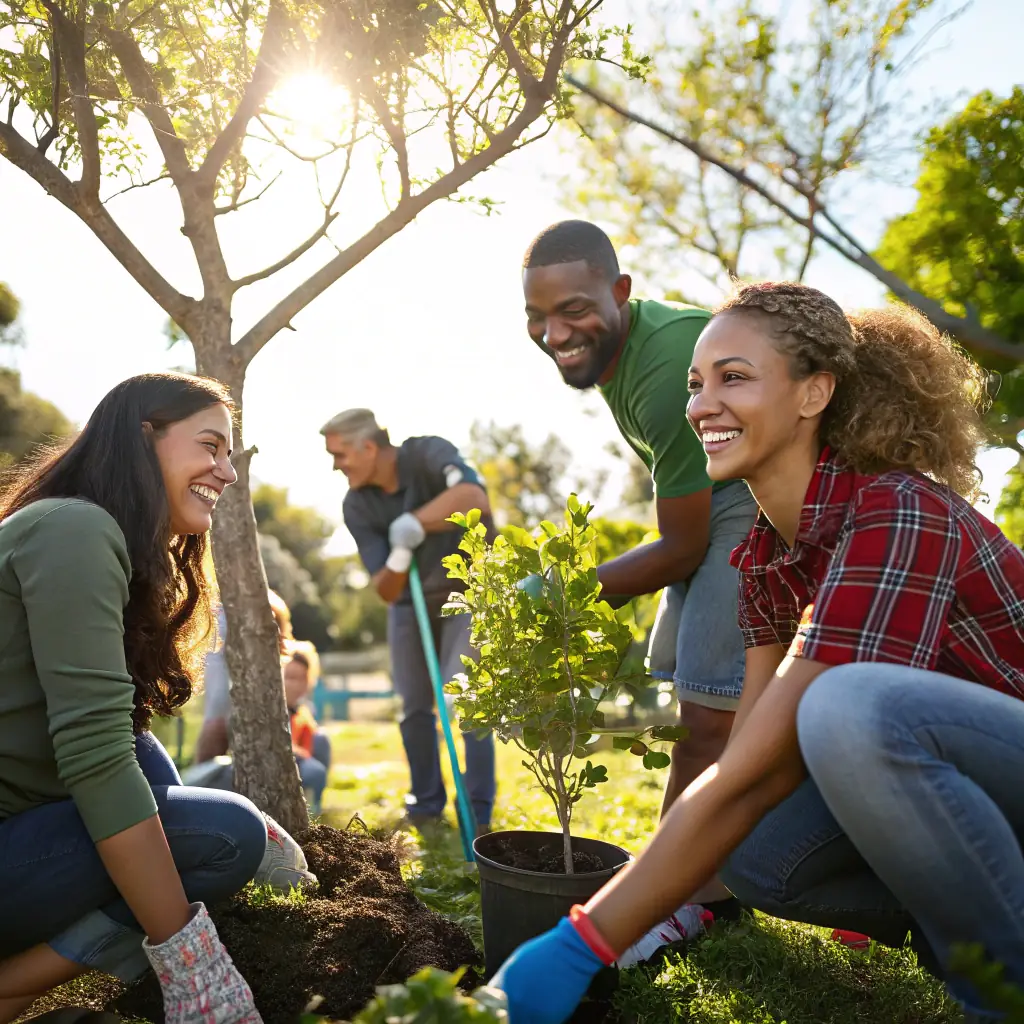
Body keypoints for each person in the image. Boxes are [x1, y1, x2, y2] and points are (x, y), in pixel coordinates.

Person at [491, 282, 1024, 1024]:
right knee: (753, 852)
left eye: (733, 378)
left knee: (850, 707)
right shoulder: (766, 556)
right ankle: (969, 934)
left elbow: (777, 756)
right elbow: (743, 767)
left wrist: (582, 941)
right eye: (695, 383)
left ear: (814, 394)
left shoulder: (897, 511)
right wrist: (594, 934)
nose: (702, 406)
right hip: (979, 793)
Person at [0, 373, 268, 1023]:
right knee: (225, 836)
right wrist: (193, 963)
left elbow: (115, 742)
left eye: (230, 454)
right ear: (144, 438)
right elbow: (94, 756)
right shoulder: (73, 529)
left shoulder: (91, 533)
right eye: (211, 446)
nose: (227, 472)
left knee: (148, 764)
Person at [522, 220, 758, 921]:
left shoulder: (663, 370)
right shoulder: (620, 356)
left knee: (706, 711)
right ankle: (692, 881)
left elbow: (680, 548)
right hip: (715, 507)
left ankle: (682, 897)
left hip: (751, 509)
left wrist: (566, 593)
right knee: (687, 694)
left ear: (620, 291)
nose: (555, 334)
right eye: (537, 317)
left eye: (573, 310)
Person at [322, 408, 497, 832]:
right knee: (414, 707)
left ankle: (477, 813)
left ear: (368, 446)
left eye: (340, 454)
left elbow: (474, 498)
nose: (335, 466)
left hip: (467, 592)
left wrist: (415, 521)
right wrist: (401, 550)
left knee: (470, 698)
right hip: (408, 604)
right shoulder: (357, 503)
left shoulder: (428, 455)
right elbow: (385, 587)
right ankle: (426, 806)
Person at [285, 642, 328, 817]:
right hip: (283, 759)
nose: (295, 684)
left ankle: (313, 807)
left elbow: (310, 740)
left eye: (302, 678)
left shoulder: (303, 710)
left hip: (299, 760)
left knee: (322, 739)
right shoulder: (270, 709)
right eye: (289, 677)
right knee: (315, 772)